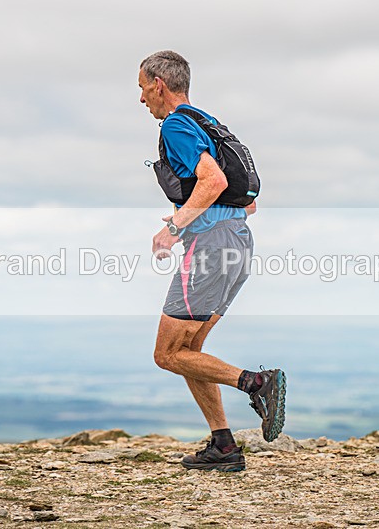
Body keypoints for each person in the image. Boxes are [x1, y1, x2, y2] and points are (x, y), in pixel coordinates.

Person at [138, 50, 286, 472]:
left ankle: (257, 383)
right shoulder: (210, 123)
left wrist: (175, 226)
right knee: (192, 348)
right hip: (238, 242)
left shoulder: (177, 125)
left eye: (142, 88)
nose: (141, 98)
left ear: (158, 84)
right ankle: (223, 444)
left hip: (210, 248)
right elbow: (245, 200)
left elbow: (214, 180)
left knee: (167, 354)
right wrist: (200, 215)